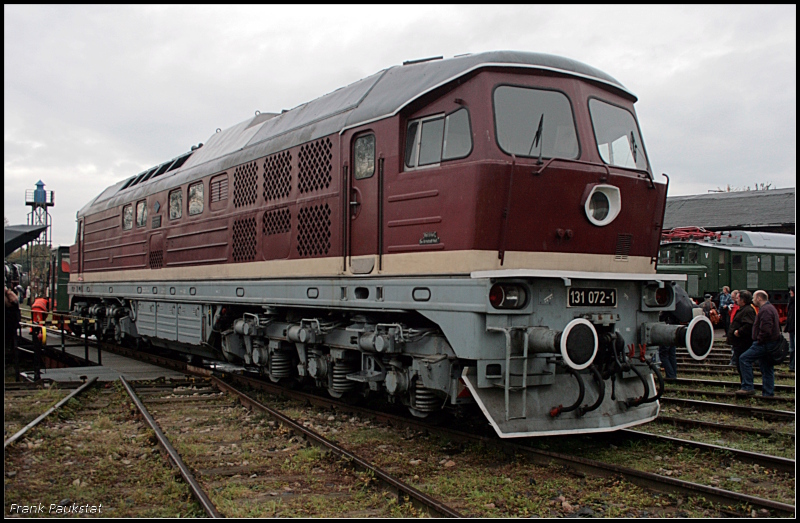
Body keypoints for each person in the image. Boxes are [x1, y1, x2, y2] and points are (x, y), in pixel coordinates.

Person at [736, 290, 781, 397]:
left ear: (759, 298)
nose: (752, 300)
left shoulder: (765, 310)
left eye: (754, 298)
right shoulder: (770, 308)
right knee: (767, 368)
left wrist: (759, 340)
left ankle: (747, 387)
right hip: (770, 343)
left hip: (764, 343)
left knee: (744, 358)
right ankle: (768, 393)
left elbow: (766, 329)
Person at [728, 291, 757, 384]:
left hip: (743, 343)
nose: (736, 300)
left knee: (742, 363)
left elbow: (749, 325)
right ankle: (744, 383)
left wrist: (738, 332)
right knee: (739, 364)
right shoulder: (743, 309)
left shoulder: (747, 310)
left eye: (738, 298)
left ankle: (746, 384)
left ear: (743, 300)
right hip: (739, 343)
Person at [727, 290, 740, 365]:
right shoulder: (734, 305)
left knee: (735, 347)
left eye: (733, 297)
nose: (732, 299)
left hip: (735, 327)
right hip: (732, 325)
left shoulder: (739, 307)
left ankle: (734, 361)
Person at [786, 286, 795, 373]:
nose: (789, 293)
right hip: (792, 328)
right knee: (792, 348)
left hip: (793, 328)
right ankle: (792, 366)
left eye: (791, 291)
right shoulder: (791, 302)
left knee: (793, 348)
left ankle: (793, 366)